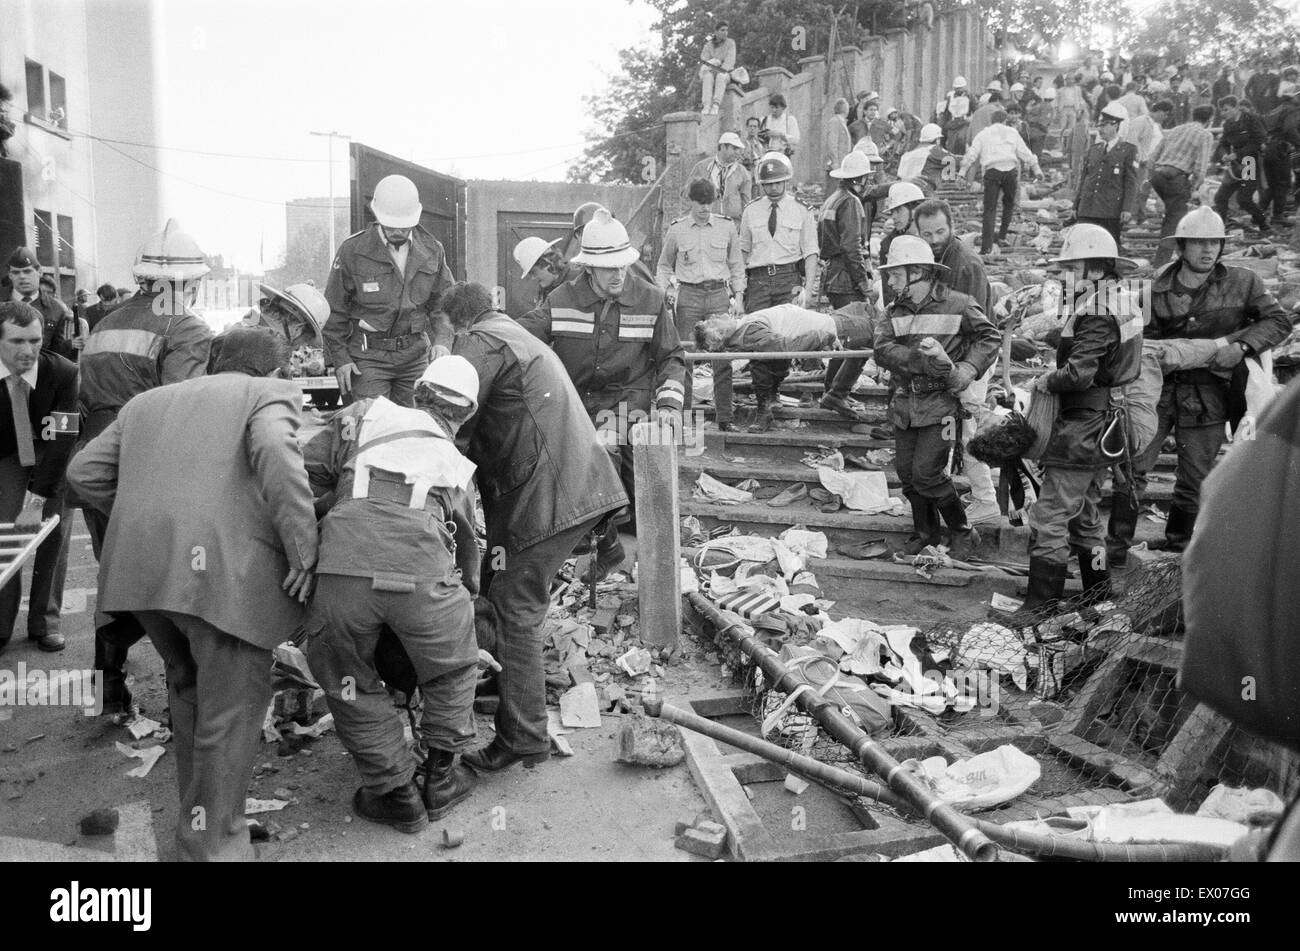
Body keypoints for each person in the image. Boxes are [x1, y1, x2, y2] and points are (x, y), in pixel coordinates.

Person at [66, 326, 318, 861]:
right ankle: (213, 847)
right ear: (273, 370)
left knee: (191, 697)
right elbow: (275, 448)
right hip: (217, 582)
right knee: (230, 711)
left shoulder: (145, 403)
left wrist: (146, 517)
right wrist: (302, 548)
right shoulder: (266, 394)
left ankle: (206, 822)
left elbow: (82, 473)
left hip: (143, 577)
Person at [445, 282, 626, 772]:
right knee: (497, 587)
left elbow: (449, 420)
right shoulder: (513, 333)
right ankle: (499, 677)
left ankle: (523, 737)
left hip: (546, 496)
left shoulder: (478, 343)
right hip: (570, 484)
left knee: (515, 607)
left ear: (455, 322)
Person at [304, 356, 483, 833]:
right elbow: (467, 546)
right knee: (453, 671)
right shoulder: (457, 464)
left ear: (418, 392)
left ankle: (396, 794)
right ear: (464, 415)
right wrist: (467, 602)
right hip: (425, 574)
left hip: (344, 570)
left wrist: (338, 509)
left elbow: (300, 478)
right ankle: (441, 780)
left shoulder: (362, 417)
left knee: (348, 677)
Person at [76, 219, 214, 715]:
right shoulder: (187, 328)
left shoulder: (104, 322)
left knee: (117, 572)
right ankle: (190, 698)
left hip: (93, 466)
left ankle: (106, 690)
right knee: (167, 579)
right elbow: (183, 411)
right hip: (145, 466)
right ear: (186, 283)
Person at [1106, 208, 1292, 565]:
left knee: (1196, 476)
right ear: (1181, 247)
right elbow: (1133, 338)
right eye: (1199, 242)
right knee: (1133, 469)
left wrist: (1241, 346)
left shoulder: (1244, 282)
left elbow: (1278, 321)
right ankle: (1116, 550)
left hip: (1209, 394)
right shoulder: (1153, 287)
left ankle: (1178, 545)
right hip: (1156, 393)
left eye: (1214, 242)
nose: (1208, 249)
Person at [518, 210, 685, 579]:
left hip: (630, 400)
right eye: (608, 268)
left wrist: (670, 405)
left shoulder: (651, 300)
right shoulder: (562, 299)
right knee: (591, 468)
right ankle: (603, 541)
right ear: (589, 268)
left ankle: (637, 557)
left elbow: (671, 357)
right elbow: (522, 337)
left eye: (623, 266)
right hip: (580, 405)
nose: (618, 275)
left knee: (632, 487)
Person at [1005, 226, 1143, 624]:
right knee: (1085, 515)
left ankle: (1040, 605)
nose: (1062, 277)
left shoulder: (1098, 311)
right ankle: (1098, 595)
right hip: (1104, 424)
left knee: (1049, 516)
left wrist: (1043, 380)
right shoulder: (1116, 300)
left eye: (1069, 268)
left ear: (1096, 270)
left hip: (1082, 425)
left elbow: (1080, 373)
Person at [872, 236, 1000, 559]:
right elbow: (882, 349)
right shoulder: (893, 311)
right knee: (907, 475)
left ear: (918, 272)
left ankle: (962, 530)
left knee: (927, 473)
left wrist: (968, 369)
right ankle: (925, 532)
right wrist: (920, 360)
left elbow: (989, 337)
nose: (890, 281)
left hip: (941, 403)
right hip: (905, 404)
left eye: (896, 274)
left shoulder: (959, 303)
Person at [323, 174, 454, 407]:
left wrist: (443, 341)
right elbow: (334, 311)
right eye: (391, 226)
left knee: (416, 427)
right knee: (372, 428)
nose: (397, 232)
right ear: (378, 216)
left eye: (403, 227)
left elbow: (443, 304)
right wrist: (340, 358)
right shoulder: (353, 251)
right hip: (367, 359)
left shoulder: (433, 250)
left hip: (414, 357)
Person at [913, 199, 999, 525]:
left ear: (951, 227)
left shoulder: (966, 264)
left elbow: (975, 327)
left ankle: (986, 500)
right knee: (954, 428)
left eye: (940, 231)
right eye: (927, 233)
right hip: (951, 357)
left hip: (973, 357)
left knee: (968, 430)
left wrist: (961, 369)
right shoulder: (934, 257)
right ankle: (954, 489)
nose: (934, 238)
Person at [0, 301, 78, 653]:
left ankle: (45, 622)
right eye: (17, 341)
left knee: (52, 531)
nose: (28, 350)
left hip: (49, 452)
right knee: (6, 535)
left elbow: (63, 440)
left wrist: (36, 501)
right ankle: (1, 626)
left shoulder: (63, 373)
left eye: (34, 340)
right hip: (5, 455)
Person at [694, 303, 875, 427]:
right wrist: (824, 336)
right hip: (831, 324)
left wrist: (825, 335)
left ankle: (835, 394)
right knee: (871, 335)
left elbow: (781, 347)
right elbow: (786, 347)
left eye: (713, 319)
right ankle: (835, 394)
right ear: (719, 335)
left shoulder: (745, 327)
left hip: (830, 321)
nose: (718, 317)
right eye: (714, 323)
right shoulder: (747, 331)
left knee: (867, 330)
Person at [656, 178, 744, 422]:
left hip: (718, 296)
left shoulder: (726, 227)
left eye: (709, 203)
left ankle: (725, 418)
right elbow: (664, 265)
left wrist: (739, 296)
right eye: (700, 203)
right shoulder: (677, 229)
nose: (705, 208)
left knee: (722, 359)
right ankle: (682, 419)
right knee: (685, 358)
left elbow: (736, 264)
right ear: (691, 202)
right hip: (689, 296)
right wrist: (663, 291)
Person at [816, 151, 877, 420]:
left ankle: (832, 390)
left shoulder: (832, 199)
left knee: (843, 336)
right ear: (861, 179)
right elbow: (852, 247)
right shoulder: (851, 203)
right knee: (858, 338)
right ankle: (835, 393)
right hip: (845, 277)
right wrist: (864, 283)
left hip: (832, 274)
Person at [738, 152, 819, 325]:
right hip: (758, 281)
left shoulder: (802, 210)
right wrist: (738, 289)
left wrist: (809, 289)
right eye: (768, 184)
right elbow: (743, 252)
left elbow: (811, 252)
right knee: (756, 329)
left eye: (777, 183)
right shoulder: (750, 211)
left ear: (786, 181)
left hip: (788, 280)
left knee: (789, 330)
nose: (773, 188)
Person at [959, 108, 1042, 255]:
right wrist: (1037, 169)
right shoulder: (1012, 133)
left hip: (992, 172)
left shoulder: (983, 134)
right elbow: (1025, 153)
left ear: (991, 121)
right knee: (1008, 205)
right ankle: (1002, 235)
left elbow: (971, 155)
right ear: (1005, 120)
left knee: (989, 210)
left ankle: (986, 247)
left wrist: (961, 173)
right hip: (1010, 172)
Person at [1147, 105, 1215, 267]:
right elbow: (1200, 168)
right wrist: (1192, 188)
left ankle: (1179, 255)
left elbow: (1152, 158)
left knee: (1174, 217)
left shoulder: (1176, 129)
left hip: (1159, 175)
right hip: (1176, 177)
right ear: (1210, 119)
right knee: (1174, 220)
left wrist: (1153, 181)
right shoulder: (1205, 135)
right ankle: (1160, 263)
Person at [1072, 102, 1139, 250]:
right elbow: (1084, 180)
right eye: (1099, 126)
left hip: (1110, 210)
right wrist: (1076, 205)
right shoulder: (1094, 150)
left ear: (1115, 126)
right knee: (1085, 247)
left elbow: (1131, 182)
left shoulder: (1128, 150)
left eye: (1104, 126)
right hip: (1088, 208)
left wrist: (1127, 208)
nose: (1100, 129)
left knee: (1109, 248)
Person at [4, 247, 78, 361]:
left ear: (39, 272)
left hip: (42, 374)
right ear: (10, 275)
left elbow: (58, 355)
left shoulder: (57, 310)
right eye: (16, 272)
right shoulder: (2, 304)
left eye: (27, 271)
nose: (22, 277)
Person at [1214, 96, 1271, 234]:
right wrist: (1224, 155)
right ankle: (1220, 228)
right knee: (1220, 197)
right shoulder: (1227, 124)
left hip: (1250, 162)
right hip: (1235, 165)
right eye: (1222, 111)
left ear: (1236, 107)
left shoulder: (1251, 119)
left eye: (1226, 110)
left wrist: (1238, 154)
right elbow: (1223, 144)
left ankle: (1264, 225)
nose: (1224, 113)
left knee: (1244, 199)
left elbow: (1259, 140)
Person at [685, 132, 754, 226]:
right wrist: (688, 222)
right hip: (706, 223)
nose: (738, 152)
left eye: (739, 149)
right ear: (722, 147)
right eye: (734, 148)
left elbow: (746, 202)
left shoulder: (742, 172)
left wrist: (744, 225)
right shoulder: (702, 167)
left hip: (733, 224)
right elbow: (687, 195)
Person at [1123, 99, 1171, 226]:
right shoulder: (1140, 121)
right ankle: (1132, 216)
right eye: (1165, 114)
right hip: (1140, 162)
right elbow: (1132, 141)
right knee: (1136, 189)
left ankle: (1141, 216)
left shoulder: (1157, 125)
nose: (1165, 117)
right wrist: (1140, 158)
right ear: (1159, 111)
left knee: (1144, 190)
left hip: (1151, 162)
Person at [1262, 81, 1300, 224]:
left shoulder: (1278, 108)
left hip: (1269, 148)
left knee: (1273, 184)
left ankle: (1259, 213)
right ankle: (1277, 216)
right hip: (1280, 148)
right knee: (1283, 183)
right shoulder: (1293, 109)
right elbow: (1289, 129)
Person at [513, 236, 571, 310]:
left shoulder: (575, 284)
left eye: (533, 272)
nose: (533, 278)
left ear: (548, 263)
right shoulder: (547, 288)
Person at [896, 123, 949, 191]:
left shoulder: (907, 154)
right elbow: (957, 161)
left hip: (902, 189)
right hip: (921, 191)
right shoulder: (933, 151)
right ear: (937, 139)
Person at [699, 21, 736, 116]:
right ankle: (706, 105)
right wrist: (713, 63)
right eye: (722, 30)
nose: (725, 32)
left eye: (727, 30)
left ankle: (716, 105)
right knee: (707, 77)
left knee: (721, 76)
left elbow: (730, 61)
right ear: (716, 32)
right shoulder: (708, 45)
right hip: (711, 71)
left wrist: (720, 69)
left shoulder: (731, 43)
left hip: (725, 73)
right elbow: (704, 60)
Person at [940, 76, 972, 155]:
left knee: (961, 141)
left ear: (964, 87)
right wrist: (944, 124)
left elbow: (976, 108)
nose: (958, 90)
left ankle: (961, 159)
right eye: (957, 88)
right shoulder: (950, 97)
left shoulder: (970, 97)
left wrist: (971, 118)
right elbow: (945, 111)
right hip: (952, 123)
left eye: (960, 88)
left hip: (964, 122)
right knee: (951, 145)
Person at [825, 99, 853, 186]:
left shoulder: (842, 121)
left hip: (842, 161)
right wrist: (835, 162)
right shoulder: (835, 121)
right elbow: (832, 143)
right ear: (845, 109)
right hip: (837, 162)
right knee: (833, 186)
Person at [1025, 86, 1056, 157]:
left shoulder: (1038, 105)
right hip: (1038, 134)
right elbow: (1043, 123)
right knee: (1036, 156)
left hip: (1029, 133)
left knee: (1030, 155)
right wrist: (1047, 133)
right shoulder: (1048, 107)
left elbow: (1028, 116)